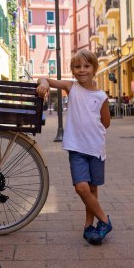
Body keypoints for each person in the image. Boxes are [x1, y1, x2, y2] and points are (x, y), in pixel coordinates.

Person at [37, 49, 112, 245]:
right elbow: (45, 78)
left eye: (86, 66)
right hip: (77, 147)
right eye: (77, 67)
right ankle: (105, 220)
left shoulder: (102, 95)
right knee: (81, 187)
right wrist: (44, 83)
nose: (82, 70)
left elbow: (106, 122)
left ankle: (89, 226)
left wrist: (90, 128)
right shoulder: (71, 87)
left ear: (94, 69)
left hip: (95, 147)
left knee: (92, 188)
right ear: (72, 70)